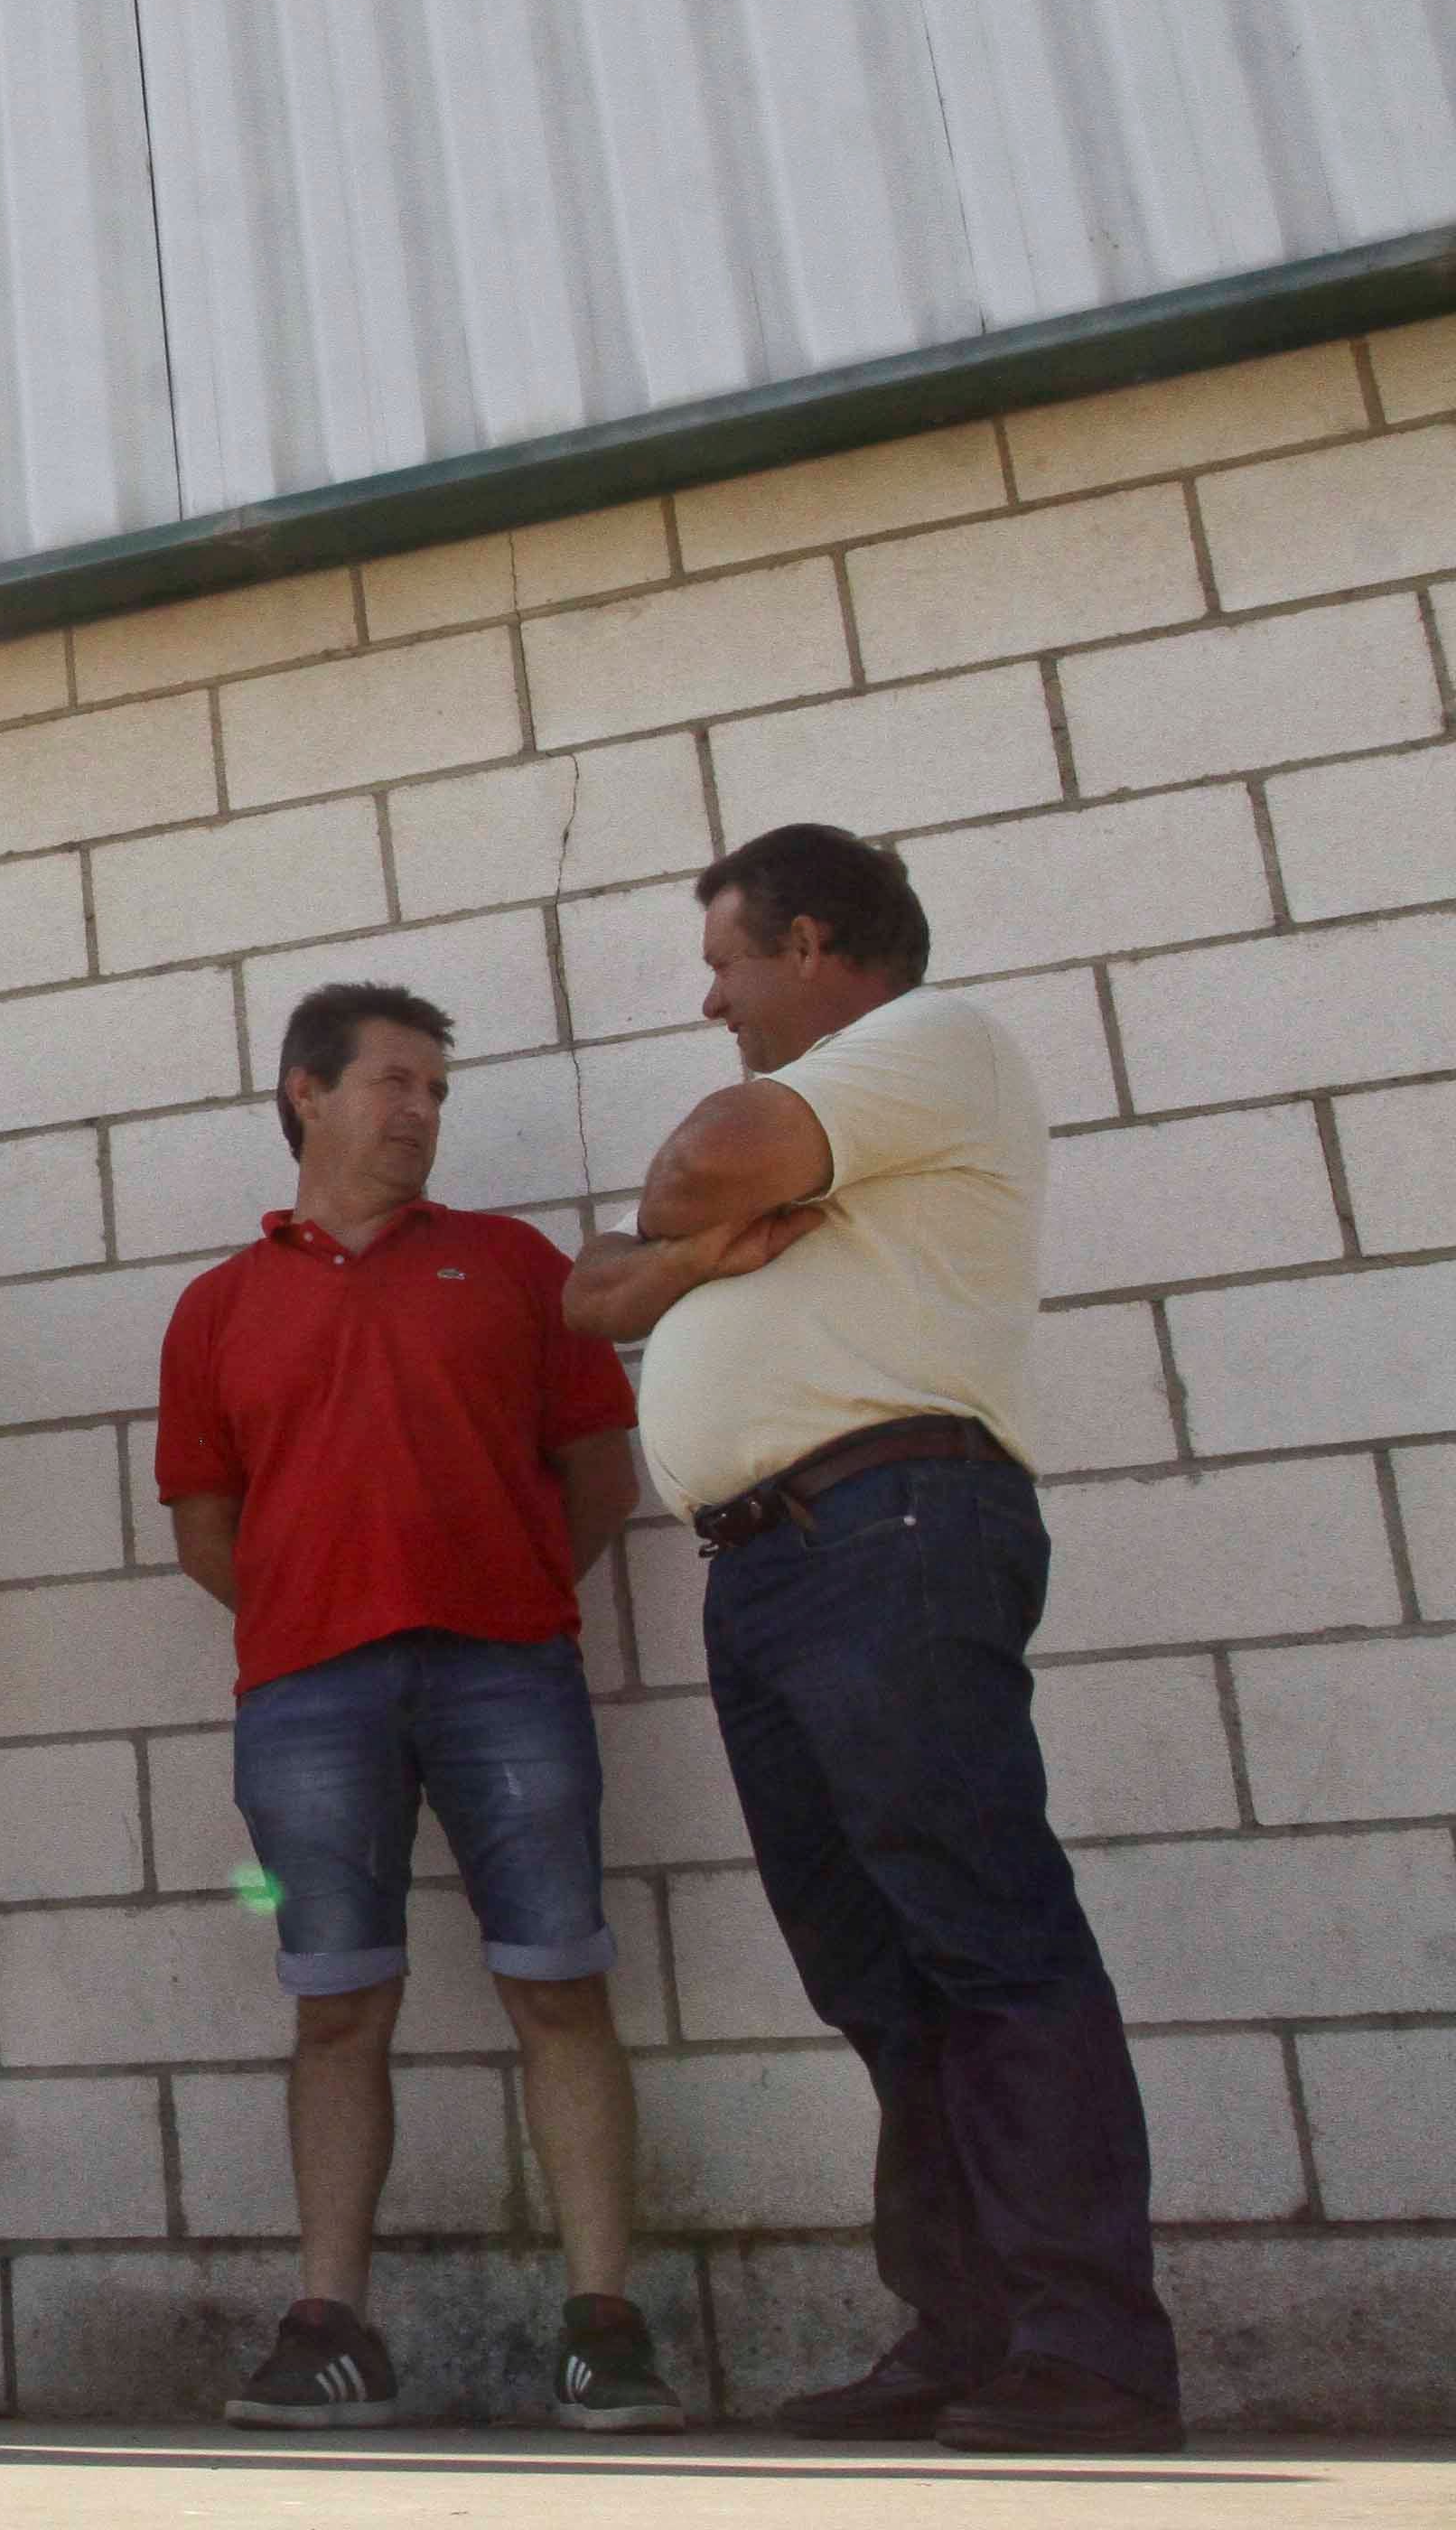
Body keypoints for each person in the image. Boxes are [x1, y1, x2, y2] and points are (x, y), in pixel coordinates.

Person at [565, 824, 1181, 2456]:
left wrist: (683, 1231)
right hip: (775, 1565)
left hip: (890, 1526)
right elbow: (585, 1295)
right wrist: (701, 1254)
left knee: (982, 1933)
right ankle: (968, 2331)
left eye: (725, 962)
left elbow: (693, 1167)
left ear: (815, 942)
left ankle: (1091, 2348)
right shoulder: (826, 1127)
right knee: (873, 1967)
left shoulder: (926, 1043)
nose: (711, 1000)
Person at [154, 985, 676, 2432]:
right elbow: (210, 1532)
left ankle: (605, 2328)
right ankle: (329, 2329)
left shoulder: (514, 1266)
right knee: (335, 2010)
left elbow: (601, 1479)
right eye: (394, 1082)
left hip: (509, 1671)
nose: (423, 1112)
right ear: (305, 1094)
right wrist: (327, 1612)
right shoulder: (217, 1309)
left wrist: (495, 1592)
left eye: (437, 1090)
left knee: (560, 1982)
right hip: (305, 1698)